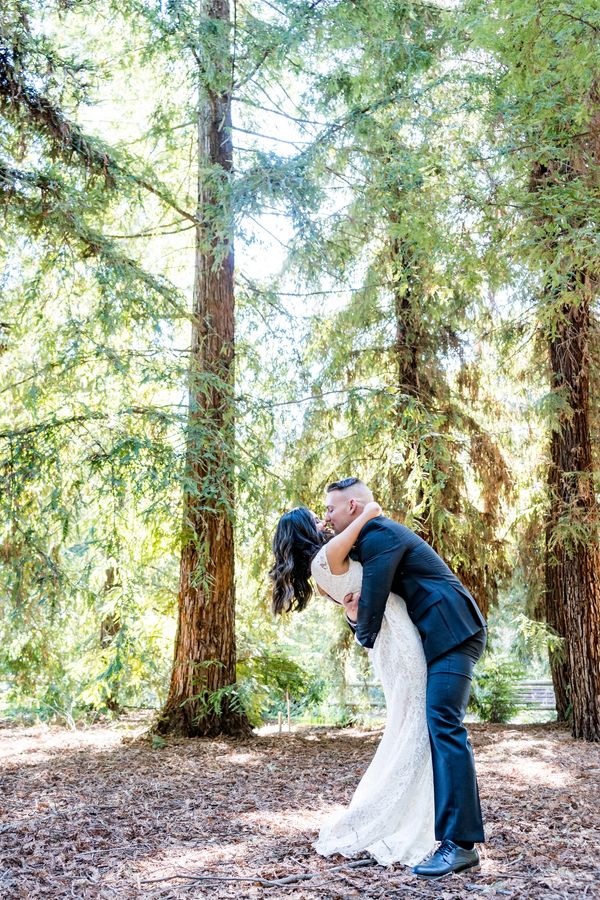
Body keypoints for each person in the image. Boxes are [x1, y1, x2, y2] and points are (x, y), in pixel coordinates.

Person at [323, 477, 487, 880]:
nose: (325, 517)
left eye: (331, 508)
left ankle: (461, 845)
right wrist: (353, 617)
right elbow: (367, 609)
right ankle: (449, 838)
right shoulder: (367, 540)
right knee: (438, 728)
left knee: (445, 726)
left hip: (454, 632)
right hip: (439, 637)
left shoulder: (379, 534)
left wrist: (362, 631)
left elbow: (374, 603)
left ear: (354, 508)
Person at [270, 501, 436, 868]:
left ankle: (418, 810)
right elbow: (366, 518)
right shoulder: (327, 556)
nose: (324, 521)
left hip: (390, 639)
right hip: (398, 640)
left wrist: (350, 614)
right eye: (316, 519)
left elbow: (354, 607)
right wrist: (367, 507)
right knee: (414, 724)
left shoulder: (320, 571)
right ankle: (400, 814)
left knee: (409, 723)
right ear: (305, 531)